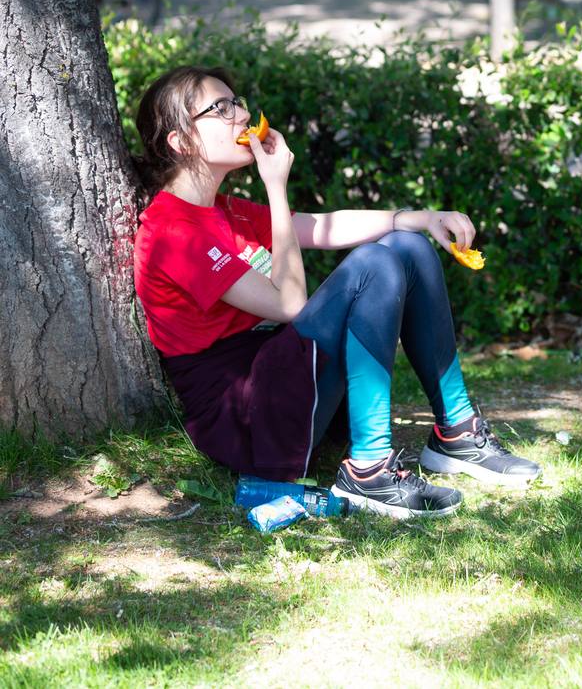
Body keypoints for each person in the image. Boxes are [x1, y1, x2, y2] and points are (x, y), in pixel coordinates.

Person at [132, 66, 541, 519]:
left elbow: (324, 226)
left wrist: (420, 217)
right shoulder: (172, 230)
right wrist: (276, 187)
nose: (242, 115)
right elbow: (289, 304)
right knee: (373, 263)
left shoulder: (225, 211)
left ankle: (457, 434)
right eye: (220, 108)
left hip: (285, 379)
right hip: (245, 420)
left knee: (407, 246)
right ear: (182, 141)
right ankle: (368, 472)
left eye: (237, 102)